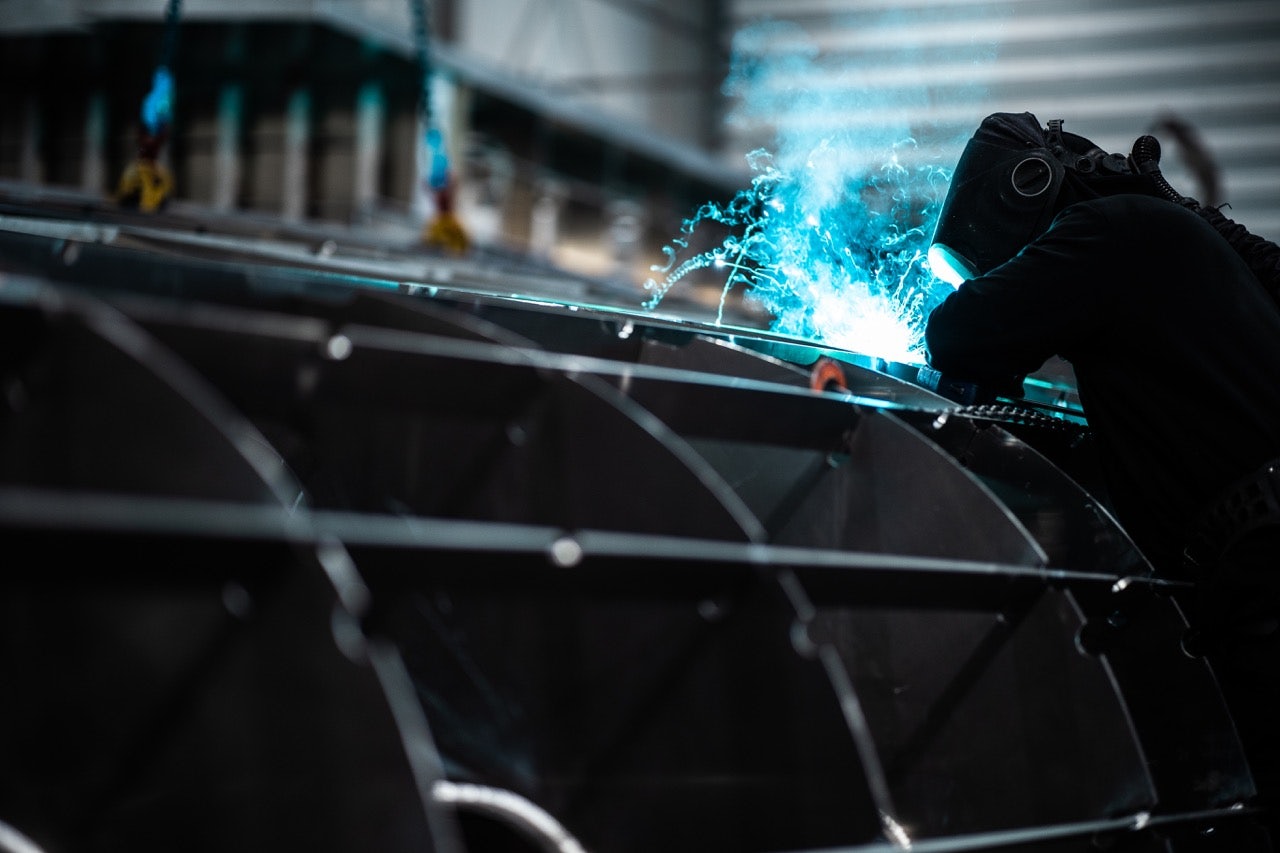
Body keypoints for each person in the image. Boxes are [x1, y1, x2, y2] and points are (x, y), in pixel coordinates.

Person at [923, 111, 1280, 822]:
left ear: (1025, 188)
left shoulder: (1109, 231)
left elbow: (959, 334)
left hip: (1263, 572)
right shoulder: (1157, 233)